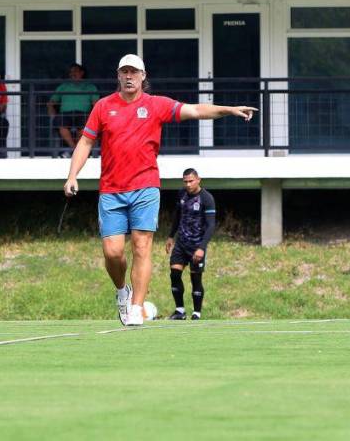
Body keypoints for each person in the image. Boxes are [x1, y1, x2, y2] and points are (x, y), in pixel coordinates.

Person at [63, 54, 256, 326]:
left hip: (145, 188)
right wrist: (72, 175)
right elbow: (85, 142)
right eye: (124, 72)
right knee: (113, 253)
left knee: (142, 247)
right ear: (118, 76)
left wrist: (229, 109)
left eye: (134, 72)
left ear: (143, 76)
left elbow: (195, 110)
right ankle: (122, 291)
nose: (129, 76)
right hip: (111, 190)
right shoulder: (104, 107)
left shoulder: (156, 105)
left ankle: (136, 307)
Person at [165, 168, 216, 321]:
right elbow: (177, 216)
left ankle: (196, 313)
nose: (188, 184)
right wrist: (170, 236)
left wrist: (202, 247)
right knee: (174, 274)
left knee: (196, 280)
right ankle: (180, 311)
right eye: (185, 181)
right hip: (181, 243)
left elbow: (211, 226)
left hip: (197, 245)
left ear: (198, 180)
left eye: (191, 181)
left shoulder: (206, 198)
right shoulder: (182, 194)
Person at [48, 64, 99, 154]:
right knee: (61, 124)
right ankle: (75, 149)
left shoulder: (90, 86)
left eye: (75, 71)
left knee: (84, 127)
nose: (72, 74)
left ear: (82, 73)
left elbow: (96, 104)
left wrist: (94, 116)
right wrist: (52, 114)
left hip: (83, 113)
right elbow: (51, 102)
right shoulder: (64, 86)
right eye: (71, 72)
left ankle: (75, 150)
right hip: (65, 114)